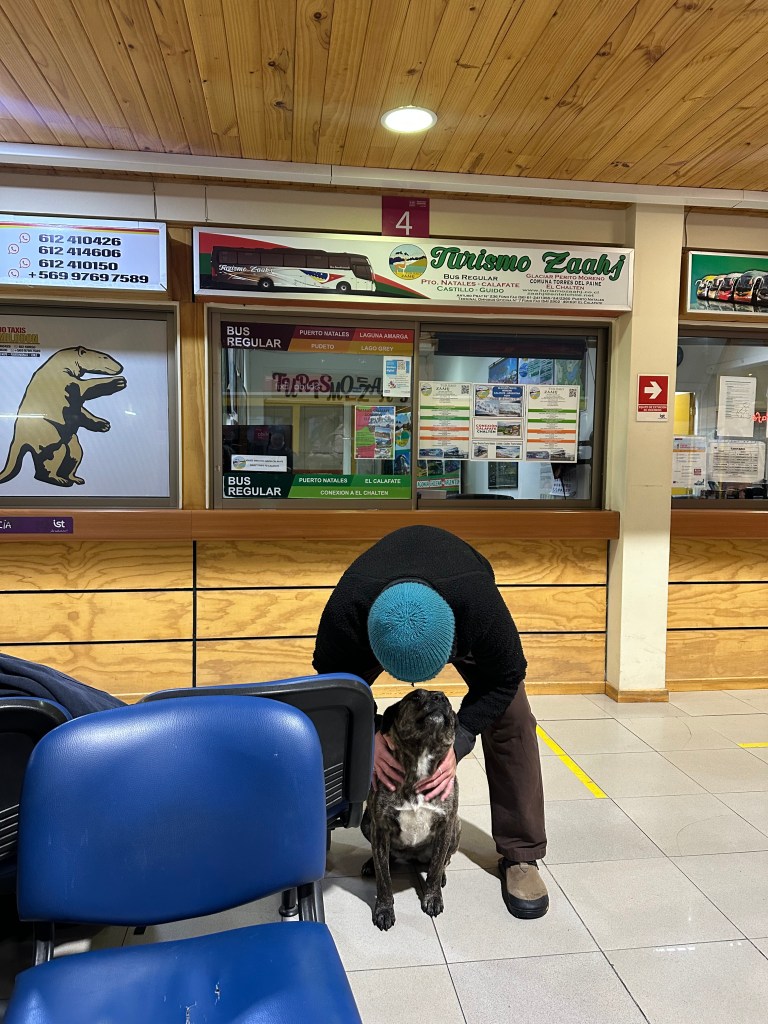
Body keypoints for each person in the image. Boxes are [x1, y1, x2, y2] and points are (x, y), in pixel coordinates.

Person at [312, 524, 548, 919]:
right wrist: (369, 734)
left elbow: (505, 678)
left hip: (460, 594)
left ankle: (521, 854)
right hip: (374, 616)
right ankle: (318, 830)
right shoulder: (347, 609)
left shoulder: (479, 607)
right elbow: (331, 685)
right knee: (330, 721)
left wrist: (460, 739)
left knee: (515, 718)